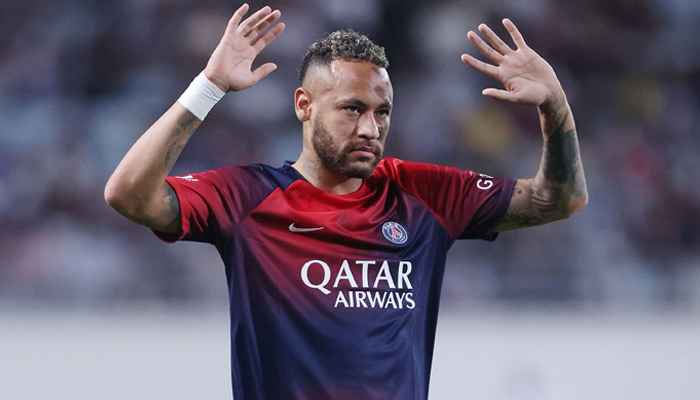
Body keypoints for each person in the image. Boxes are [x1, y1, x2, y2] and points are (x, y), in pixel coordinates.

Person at [104, 4, 587, 399]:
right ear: (303, 105)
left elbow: (559, 198)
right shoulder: (247, 198)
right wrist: (208, 88)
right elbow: (127, 194)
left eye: (382, 113)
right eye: (352, 109)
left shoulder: (425, 195)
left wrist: (554, 104)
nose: (370, 129)